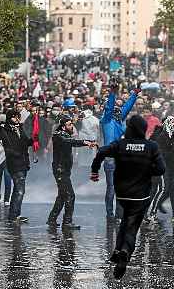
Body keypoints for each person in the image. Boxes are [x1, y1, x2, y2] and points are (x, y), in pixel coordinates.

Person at [90, 115, 165, 279]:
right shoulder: (151, 146)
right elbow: (160, 169)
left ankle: (118, 251)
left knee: (126, 220)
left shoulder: (120, 144)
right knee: (132, 226)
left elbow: (102, 151)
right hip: (141, 195)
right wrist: (145, 171)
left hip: (123, 194)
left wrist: (95, 170)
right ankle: (125, 252)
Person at [47, 115, 96, 229]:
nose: (71, 126)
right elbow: (70, 141)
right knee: (70, 195)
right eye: (69, 124)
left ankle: (52, 219)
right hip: (60, 170)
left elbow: (72, 138)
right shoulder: (58, 135)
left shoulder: (64, 133)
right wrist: (85, 142)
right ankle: (67, 222)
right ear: (63, 127)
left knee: (62, 196)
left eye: (71, 124)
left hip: (64, 169)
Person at [100, 82, 139, 221]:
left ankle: (119, 215)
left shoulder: (118, 120)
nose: (118, 111)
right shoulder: (106, 120)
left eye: (118, 109)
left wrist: (135, 93)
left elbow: (127, 107)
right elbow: (110, 108)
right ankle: (110, 214)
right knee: (111, 188)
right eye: (115, 109)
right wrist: (112, 93)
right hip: (110, 159)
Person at [0, 109, 33, 223]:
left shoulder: (20, 128)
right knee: (20, 190)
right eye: (15, 117)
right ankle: (14, 216)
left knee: (17, 189)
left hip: (24, 162)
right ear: (10, 118)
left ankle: (14, 215)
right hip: (14, 162)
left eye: (18, 116)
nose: (17, 119)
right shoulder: (5, 129)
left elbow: (25, 142)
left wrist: (33, 140)